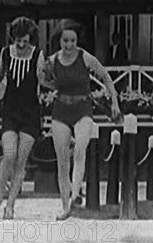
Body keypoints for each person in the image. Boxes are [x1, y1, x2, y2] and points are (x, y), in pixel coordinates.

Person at [47, 19, 122, 220]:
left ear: (77, 40)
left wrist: (114, 101)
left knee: (80, 151)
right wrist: (51, 87)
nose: (69, 45)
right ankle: (65, 206)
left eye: (72, 40)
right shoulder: (53, 60)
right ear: (60, 41)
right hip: (61, 108)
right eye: (65, 41)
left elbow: (105, 75)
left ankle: (75, 195)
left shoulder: (85, 57)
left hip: (83, 108)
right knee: (62, 160)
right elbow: (41, 76)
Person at [0, 17, 47, 220]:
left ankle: (10, 206)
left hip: (31, 113)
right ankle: (0, 191)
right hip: (10, 111)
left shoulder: (38, 55)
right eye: (17, 40)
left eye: (25, 40)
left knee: (20, 162)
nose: (21, 44)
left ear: (31, 38)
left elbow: (43, 79)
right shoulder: (6, 53)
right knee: (9, 154)